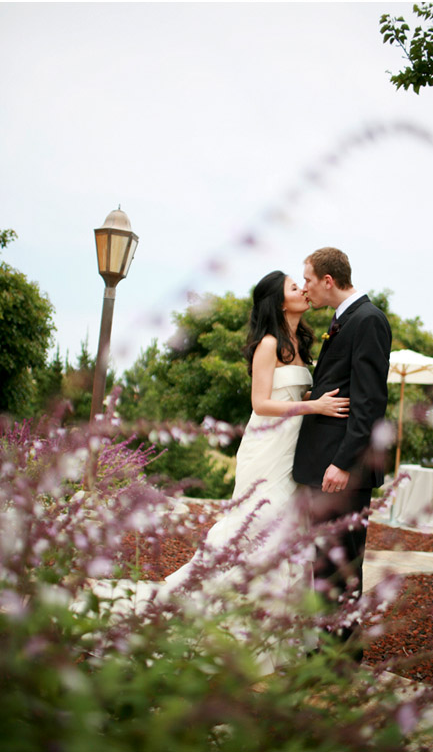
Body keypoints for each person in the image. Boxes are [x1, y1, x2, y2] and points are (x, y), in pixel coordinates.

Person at [89, 270, 350, 664]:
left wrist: (315, 401)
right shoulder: (267, 344)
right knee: (259, 524)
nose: (303, 289)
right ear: (280, 302)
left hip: (293, 448)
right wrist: (313, 405)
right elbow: (261, 403)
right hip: (267, 447)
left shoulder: (302, 341)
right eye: (295, 287)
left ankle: (273, 631)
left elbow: (292, 391)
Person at [293, 247, 391, 650]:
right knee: (325, 562)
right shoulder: (343, 320)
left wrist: (342, 462)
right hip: (326, 466)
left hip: (342, 471)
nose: (306, 288)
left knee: (342, 565)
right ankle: (325, 650)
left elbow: (369, 403)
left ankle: (340, 662)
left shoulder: (368, 320)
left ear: (328, 281)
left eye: (310, 280)